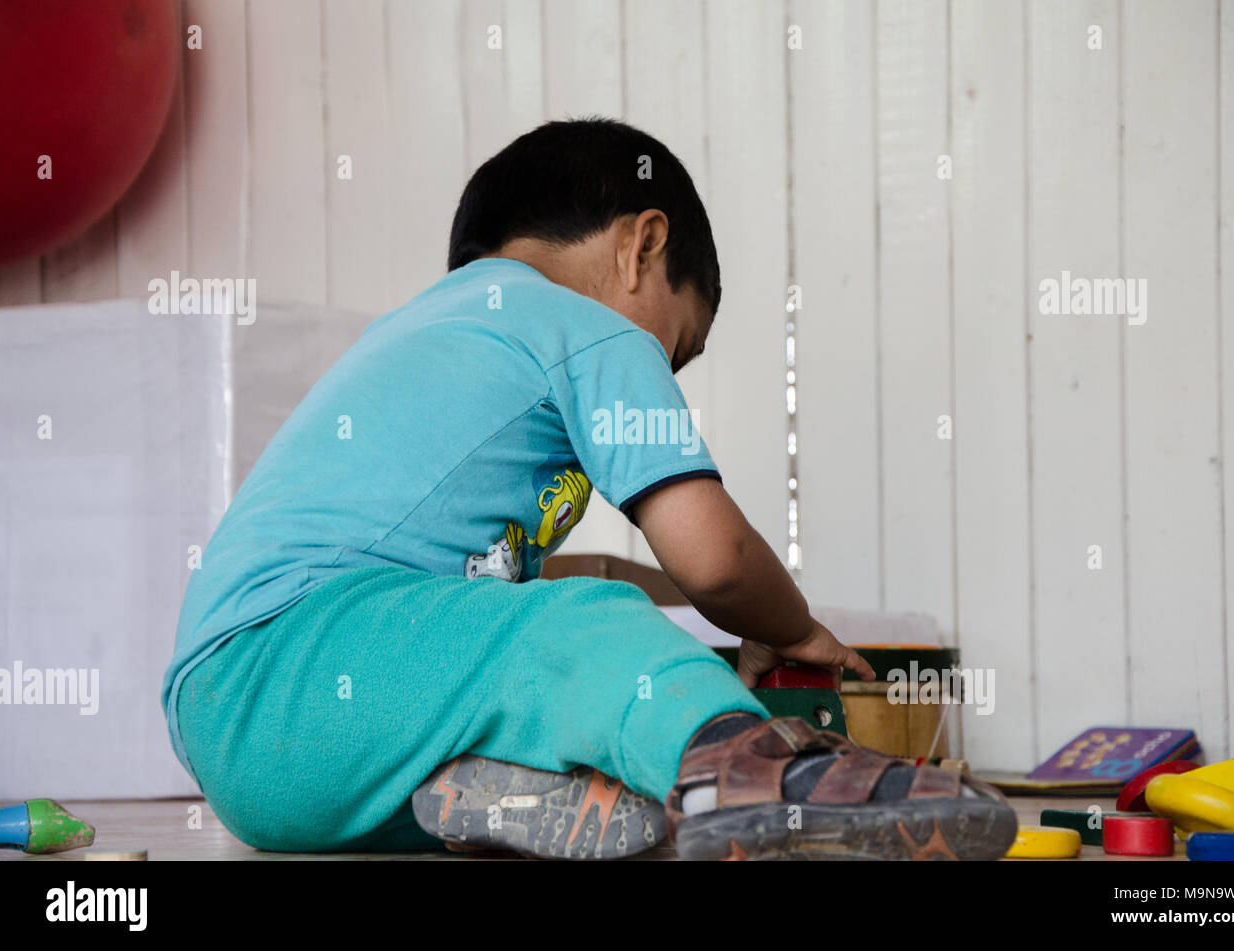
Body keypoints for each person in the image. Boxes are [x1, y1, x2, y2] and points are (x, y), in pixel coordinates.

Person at [162, 117, 1015, 861]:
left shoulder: (433, 330)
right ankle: (746, 767)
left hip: (263, 746)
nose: (663, 371)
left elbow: (523, 600)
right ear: (641, 245)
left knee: (540, 656)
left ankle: (495, 801)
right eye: (677, 348)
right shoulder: (585, 326)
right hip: (293, 659)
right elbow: (714, 560)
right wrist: (788, 625)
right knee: (581, 626)